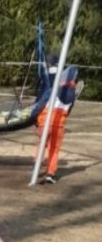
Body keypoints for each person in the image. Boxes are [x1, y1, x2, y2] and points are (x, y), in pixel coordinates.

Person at [36, 53, 79, 185]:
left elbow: (40, 102)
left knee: (42, 145)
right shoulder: (69, 95)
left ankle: (37, 167)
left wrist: (35, 119)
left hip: (44, 122)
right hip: (58, 125)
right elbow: (68, 109)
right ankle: (50, 173)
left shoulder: (49, 86)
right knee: (54, 149)